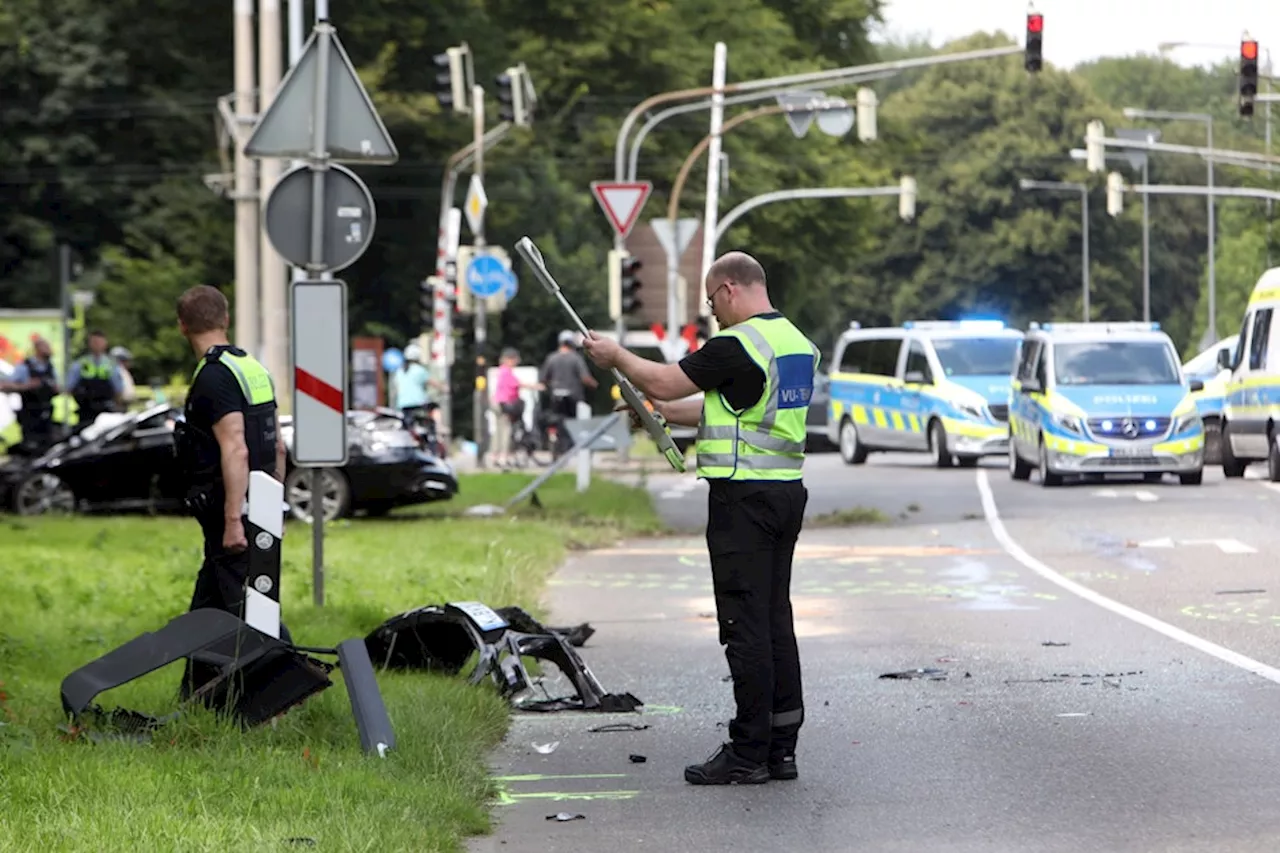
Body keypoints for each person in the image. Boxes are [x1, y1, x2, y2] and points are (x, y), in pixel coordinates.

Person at [582, 251, 819, 786]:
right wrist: (660, 415)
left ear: (730, 289)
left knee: (744, 626)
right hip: (784, 495)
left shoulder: (738, 343)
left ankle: (747, 752)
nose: (713, 313)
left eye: (712, 302)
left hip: (743, 504)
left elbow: (667, 381)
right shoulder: (795, 344)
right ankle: (781, 749)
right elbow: (729, 405)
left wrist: (617, 355)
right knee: (775, 622)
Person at [171, 285, 287, 697]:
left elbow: (235, 446)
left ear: (183, 326)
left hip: (232, 508)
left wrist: (233, 520)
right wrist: (274, 505)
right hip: (263, 499)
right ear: (226, 319)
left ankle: (287, 681)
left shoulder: (213, 378)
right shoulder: (250, 368)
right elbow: (275, 445)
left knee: (245, 604)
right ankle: (197, 696)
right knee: (212, 602)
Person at [539, 330, 599, 454]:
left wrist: (549, 385)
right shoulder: (576, 358)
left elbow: (543, 379)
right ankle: (572, 446)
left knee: (556, 419)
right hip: (573, 396)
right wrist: (594, 384)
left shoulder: (552, 358)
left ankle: (554, 440)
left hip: (556, 396)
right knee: (574, 421)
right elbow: (585, 378)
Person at [0, 337, 60, 454]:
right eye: (45, 347)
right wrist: (27, 386)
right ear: (37, 349)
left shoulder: (50, 367)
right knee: (30, 446)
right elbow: (5, 385)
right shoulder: (24, 367)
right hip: (30, 413)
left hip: (47, 412)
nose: (48, 350)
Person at [490, 348, 539, 469]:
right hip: (505, 404)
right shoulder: (507, 372)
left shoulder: (501, 371)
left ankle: (495, 456)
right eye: (515, 359)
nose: (516, 362)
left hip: (496, 402)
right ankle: (503, 457)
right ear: (509, 359)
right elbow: (516, 384)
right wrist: (534, 386)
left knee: (498, 430)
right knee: (506, 430)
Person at [66, 330, 124, 429]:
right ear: (89, 344)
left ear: (105, 344)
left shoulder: (111, 364)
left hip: (106, 409)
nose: (97, 345)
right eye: (94, 342)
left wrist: (116, 406)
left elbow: (118, 389)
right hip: (86, 409)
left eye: (99, 342)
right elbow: (69, 386)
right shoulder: (80, 363)